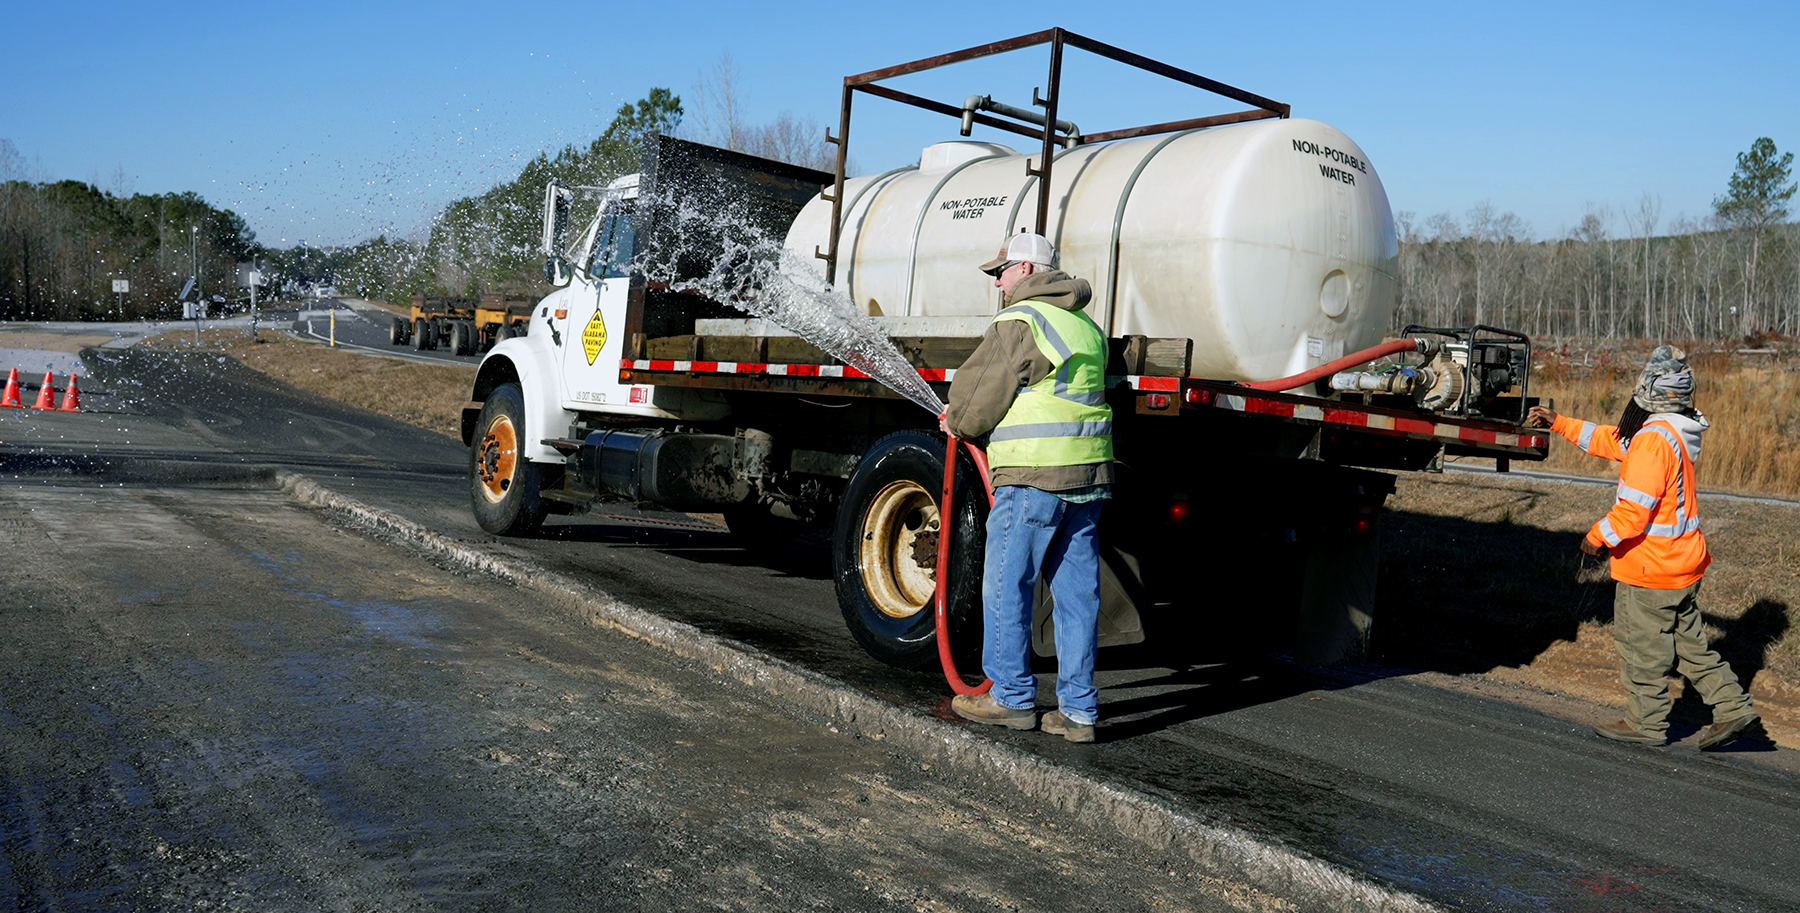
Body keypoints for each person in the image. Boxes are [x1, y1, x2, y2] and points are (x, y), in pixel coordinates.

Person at [1527, 345, 1759, 749]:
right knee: (1691, 647)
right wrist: (1559, 422)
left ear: (1649, 391)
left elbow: (1632, 514)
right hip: (1681, 567)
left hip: (1651, 569)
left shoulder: (1652, 442)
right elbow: (1610, 440)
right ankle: (1734, 708)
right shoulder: (1671, 433)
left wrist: (1595, 538)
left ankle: (1646, 723)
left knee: (1640, 646)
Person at [939, 231, 1113, 743]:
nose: (997, 283)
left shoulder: (1022, 320)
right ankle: (1079, 711)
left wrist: (959, 422)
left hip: (1033, 477)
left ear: (1027, 270)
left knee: (1006, 584)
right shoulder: (1085, 325)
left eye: (1002, 272)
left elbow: (978, 394)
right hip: (1086, 479)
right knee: (1078, 597)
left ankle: (1011, 698)